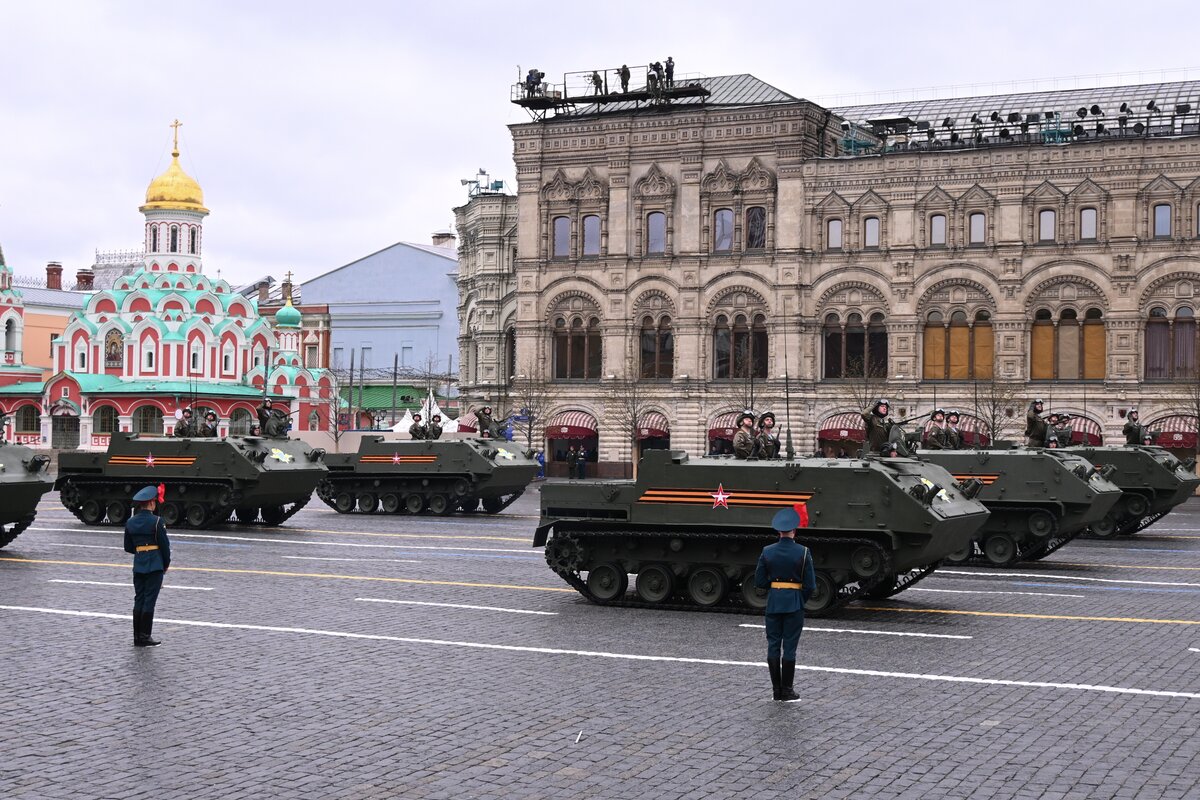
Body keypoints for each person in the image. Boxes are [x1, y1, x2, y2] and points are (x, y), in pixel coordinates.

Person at [754, 506, 816, 702]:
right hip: (794, 603)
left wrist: (775, 589)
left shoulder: (767, 551)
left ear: (778, 531)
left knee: (773, 645)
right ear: (794, 531)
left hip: (773, 603)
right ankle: (787, 691)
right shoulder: (804, 552)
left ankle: (776, 691)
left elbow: (760, 581)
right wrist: (798, 599)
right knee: (789, 647)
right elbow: (810, 585)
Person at [123, 485, 171, 647]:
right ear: (151, 503)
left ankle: (137, 636)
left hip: (139, 565)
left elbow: (128, 547)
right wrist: (165, 565)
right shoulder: (157, 521)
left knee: (139, 599)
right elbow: (164, 547)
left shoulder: (130, 522)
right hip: (155, 565)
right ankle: (145, 636)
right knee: (149, 601)